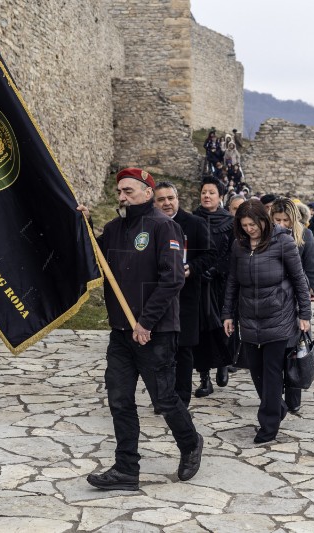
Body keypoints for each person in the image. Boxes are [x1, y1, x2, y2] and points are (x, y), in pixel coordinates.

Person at [79, 168, 203, 491]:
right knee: (120, 400)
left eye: (129, 191)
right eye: (119, 191)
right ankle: (126, 469)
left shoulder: (165, 227)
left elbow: (173, 278)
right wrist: (85, 226)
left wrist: (147, 322)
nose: (122, 196)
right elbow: (96, 259)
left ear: (147, 193)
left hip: (156, 332)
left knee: (163, 399)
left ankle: (190, 443)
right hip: (121, 332)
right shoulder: (115, 228)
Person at [222, 200, 311, 443]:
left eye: (253, 224)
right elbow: (232, 282)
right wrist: (227, 314)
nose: (250, 229)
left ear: (264, 220)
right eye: (245, 225)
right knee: (257, 372)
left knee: (272, 372)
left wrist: (305, 314)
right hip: (249, 316)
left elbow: (299, 279)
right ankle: (277, 407)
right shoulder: (239, 246)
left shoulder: (283, 242)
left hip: (279, 315)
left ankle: (268, 425)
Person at [154, 182, 216, 407]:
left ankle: (181, 400)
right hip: (157, 297)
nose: (167, 203)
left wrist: (192, 268)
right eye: (161, 199)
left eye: (170, 198)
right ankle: (162, 396)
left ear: (177, 199)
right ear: (155, 202)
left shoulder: (195, 224)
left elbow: (210, 254)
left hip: (186, 297)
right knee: (160, 350)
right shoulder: (150, 224)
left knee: (183, 349)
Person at [270, 198, 314, 413]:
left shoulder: (305, 236)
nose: (282, 224)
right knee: (275, 351)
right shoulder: (265, 236)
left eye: (286, 220)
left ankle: (294, 394)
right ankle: (274, 397)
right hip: (272, 300)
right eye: (277, 219)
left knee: (296, 349)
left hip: (297, 301)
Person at [192, 177, 234, 396]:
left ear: (220, 197)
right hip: (198, 282)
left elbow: (233, 253)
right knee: (201, 329)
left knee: (222, 324)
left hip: (222, 283)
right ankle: (204, 378)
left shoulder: (230, 222)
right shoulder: (192, 219)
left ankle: (223, 362)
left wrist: (216, 269)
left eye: (211, 192)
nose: (206, 196)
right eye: (203, 192)